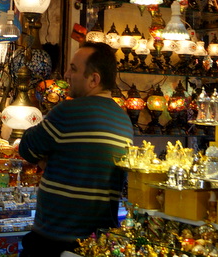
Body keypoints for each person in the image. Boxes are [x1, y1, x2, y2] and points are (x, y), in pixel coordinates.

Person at [18, 41, 134, 257]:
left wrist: (48, 160)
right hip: (97, 245)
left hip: (53, 241)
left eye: (73, 69)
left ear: (94, 80)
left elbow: (27, 148)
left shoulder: (69, 111)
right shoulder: (124, 121)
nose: (66, 74)